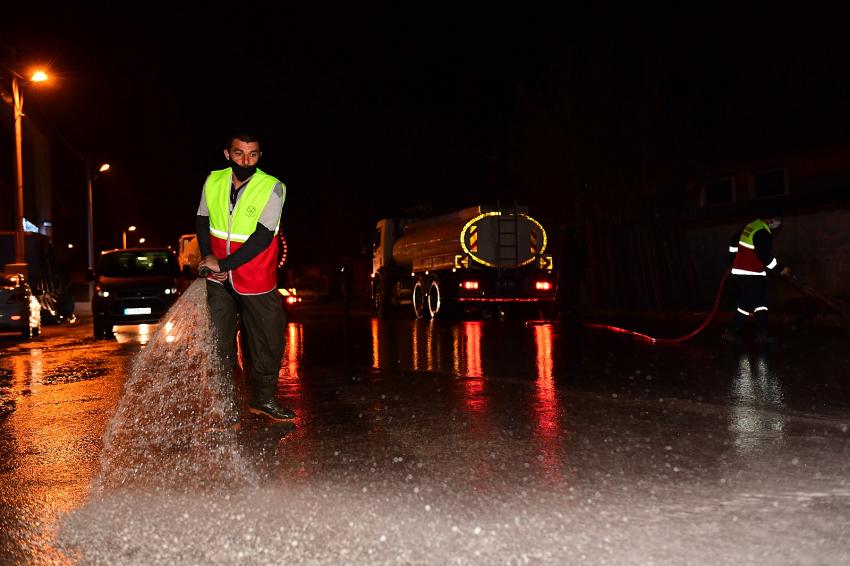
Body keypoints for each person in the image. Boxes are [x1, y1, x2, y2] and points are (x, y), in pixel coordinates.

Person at [196, 132, 295, 421]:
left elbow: (263, 237)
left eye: (253, 154)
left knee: (268, 339)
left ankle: (263, 399)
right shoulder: (212, 180)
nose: (246, 160)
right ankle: (225, 407)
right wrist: (209, 258)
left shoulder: (273, 187)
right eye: (239, 153)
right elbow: (202, 221)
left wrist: (226, 263)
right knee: (219, 343)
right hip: (218, 275)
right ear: (227, 154)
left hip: (256, 276)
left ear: (259, 156)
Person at [722, 208, 791, 344]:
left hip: (748, 273)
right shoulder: (762, 232)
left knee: (759, 304)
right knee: (749, 304)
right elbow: (764, 256)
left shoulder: (753, 225)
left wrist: (732, 261)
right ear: (768, 218)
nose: (779, 222)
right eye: (777, 219)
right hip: (750, 273)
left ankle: (761, 334)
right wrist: (780, 269)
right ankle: (731, 331)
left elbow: (736, 240)